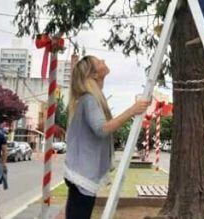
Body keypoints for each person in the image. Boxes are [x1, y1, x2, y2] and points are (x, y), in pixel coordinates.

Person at [63, 56, 151, 219]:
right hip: (81, 174)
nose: (104, 60)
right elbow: (102, 129)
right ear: (94, 74)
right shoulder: (89, 99)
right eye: (99, 62)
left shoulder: (90, 99)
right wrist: (132, 110)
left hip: (81, 173)